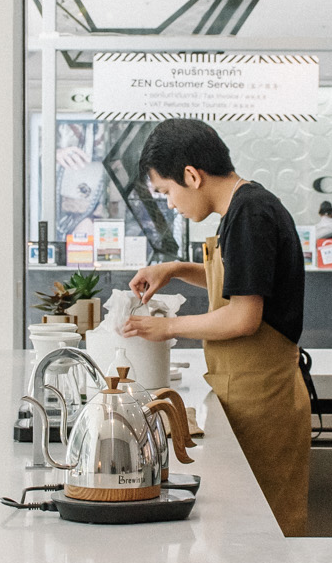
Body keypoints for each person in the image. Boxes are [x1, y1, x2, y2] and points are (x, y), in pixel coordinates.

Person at [121, 118, 312, 534]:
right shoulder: (243, 208)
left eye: (166, 192)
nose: (170, 204)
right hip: (249, 392)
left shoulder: (250, 214)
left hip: (263, 399)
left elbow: (244, 317)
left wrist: (168, 328)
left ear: (192, 176)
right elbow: (241, 280)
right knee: (245, 528)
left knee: (264, 531)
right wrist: (175, 269)